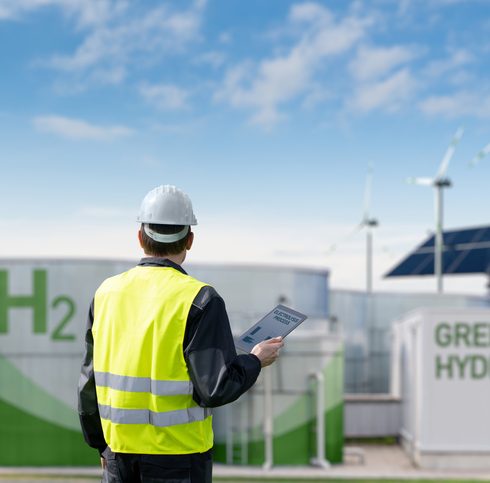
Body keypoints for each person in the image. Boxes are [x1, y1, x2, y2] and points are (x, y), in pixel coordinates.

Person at [78, 185, 284, 482]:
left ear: (140, 237)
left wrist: (101, 445)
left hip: (117, 455)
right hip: (179, 460)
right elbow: (216, 388)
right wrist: (255, 360)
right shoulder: (200, 299)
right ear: (190, 239)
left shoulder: (105, 293)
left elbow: (89, 381)